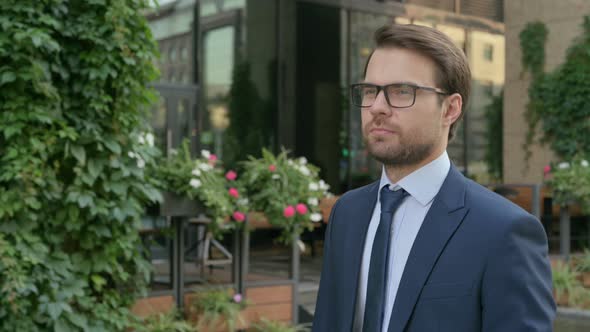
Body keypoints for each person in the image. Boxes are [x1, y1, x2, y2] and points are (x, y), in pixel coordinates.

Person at [312, 24, 555, 332]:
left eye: (402, 91)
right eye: (370, 91)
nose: (377, 107)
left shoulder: (503, 231)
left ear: (450, 109)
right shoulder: (348, 213)